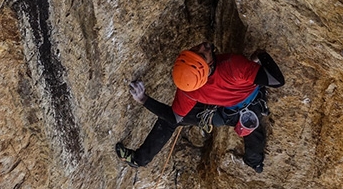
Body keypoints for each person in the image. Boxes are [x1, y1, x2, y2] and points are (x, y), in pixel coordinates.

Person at [115, 42, 284, 172]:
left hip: (222, 114)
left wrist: (144, 99)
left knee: (168, 121)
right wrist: (261, 55)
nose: (203, 46)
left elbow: (174, 117)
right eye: (203, 54)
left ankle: (139, 159)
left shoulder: (189, 89)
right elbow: (276, 80)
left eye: (196, 50)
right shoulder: (234, 66)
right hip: (250, 107)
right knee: (254, 133)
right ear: (208, 68)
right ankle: (255, 163)